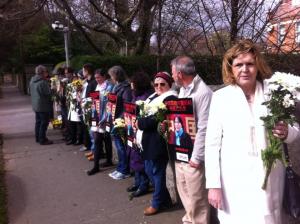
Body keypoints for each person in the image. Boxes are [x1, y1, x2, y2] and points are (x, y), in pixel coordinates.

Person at [205, 39, 300, 224]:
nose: (244, 69)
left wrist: (287, 132)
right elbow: (211, 144)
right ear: (230, 68)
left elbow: (296, 130)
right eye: (239, 64)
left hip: (271, 177)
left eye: (249, 63)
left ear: (257, 65)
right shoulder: (221, 98)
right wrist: (213, 185)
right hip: (234, 178)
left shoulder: (275, 93)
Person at [171, 56, 212, 224]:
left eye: (173, 72)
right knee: (184, 191)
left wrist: (197, 157)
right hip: (181, 152)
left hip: (194, 156)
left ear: (180, 74)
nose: (172, 75)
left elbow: (204, 127)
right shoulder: (183, 90)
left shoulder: (203, 92)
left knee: (197, 196)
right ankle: (189, 220)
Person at [137, 71, 177, 216]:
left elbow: (155, 119)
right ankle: (165, 200)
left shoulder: (171, 97)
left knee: (157, 172)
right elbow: (141, 113)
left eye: (162, 84)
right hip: (147, 140)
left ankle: (156, 203)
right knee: (149, 170)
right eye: (156, 84)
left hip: (158, 141)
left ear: (169, 84)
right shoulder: (153, 96)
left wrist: (140, 123)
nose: (159, 87)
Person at [126, 72, 153, 198]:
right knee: (133, 156)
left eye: (133, 83)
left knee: (138, 158)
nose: (131, 85)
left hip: (139, 131)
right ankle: (137, 182)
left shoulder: (145, 97)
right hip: (132, 129)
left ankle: (143, 185)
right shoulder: (136, 94)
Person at [87, 69, 114, 176]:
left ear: (104, 77)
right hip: (96, 116)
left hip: (105, 117)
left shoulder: (110, 87)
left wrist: (105, 118)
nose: (97, 80)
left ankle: (108, 160)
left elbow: (110, 104)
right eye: (96, 78)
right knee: (98, 139)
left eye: (99, 77)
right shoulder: (97, 86)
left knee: (105, 138)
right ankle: (96, 165)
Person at [108, 65, 132, 180]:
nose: (111, 78)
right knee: (118, 146)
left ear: (116, 75)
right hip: (115, 118)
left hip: (120, 120)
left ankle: (124, 170)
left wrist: (120, 120)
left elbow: (127, 106)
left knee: (121, 147)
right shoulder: (116, 86)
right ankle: (120, 168)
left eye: (112, 75)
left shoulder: (126, 88)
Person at [30, 65, 53, 145]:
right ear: (42, 73)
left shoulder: (32, 80)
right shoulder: (42, 82)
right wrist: (52, 88)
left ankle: (38, 138)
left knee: (38, 122)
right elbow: (48, 93)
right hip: (43, 105)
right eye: (46, 71)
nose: (46, 73)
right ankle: (42, 139)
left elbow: (30, 92)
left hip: (36, 105)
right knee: (44, 123)